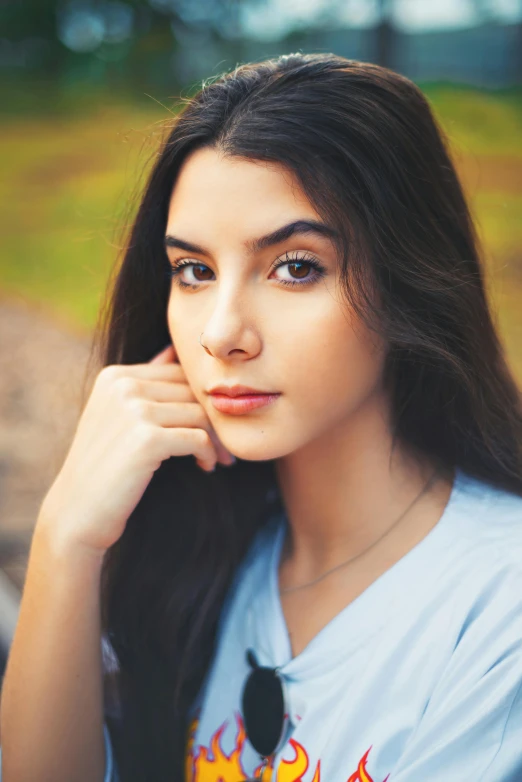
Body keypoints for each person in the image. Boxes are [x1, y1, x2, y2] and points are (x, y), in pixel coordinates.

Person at [1, 51, 522, 782]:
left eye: (296, 266)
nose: (221, 332)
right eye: (195, 271)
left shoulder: (499, 606)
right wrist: (67, 537)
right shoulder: (190, 557)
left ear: (411, 279)